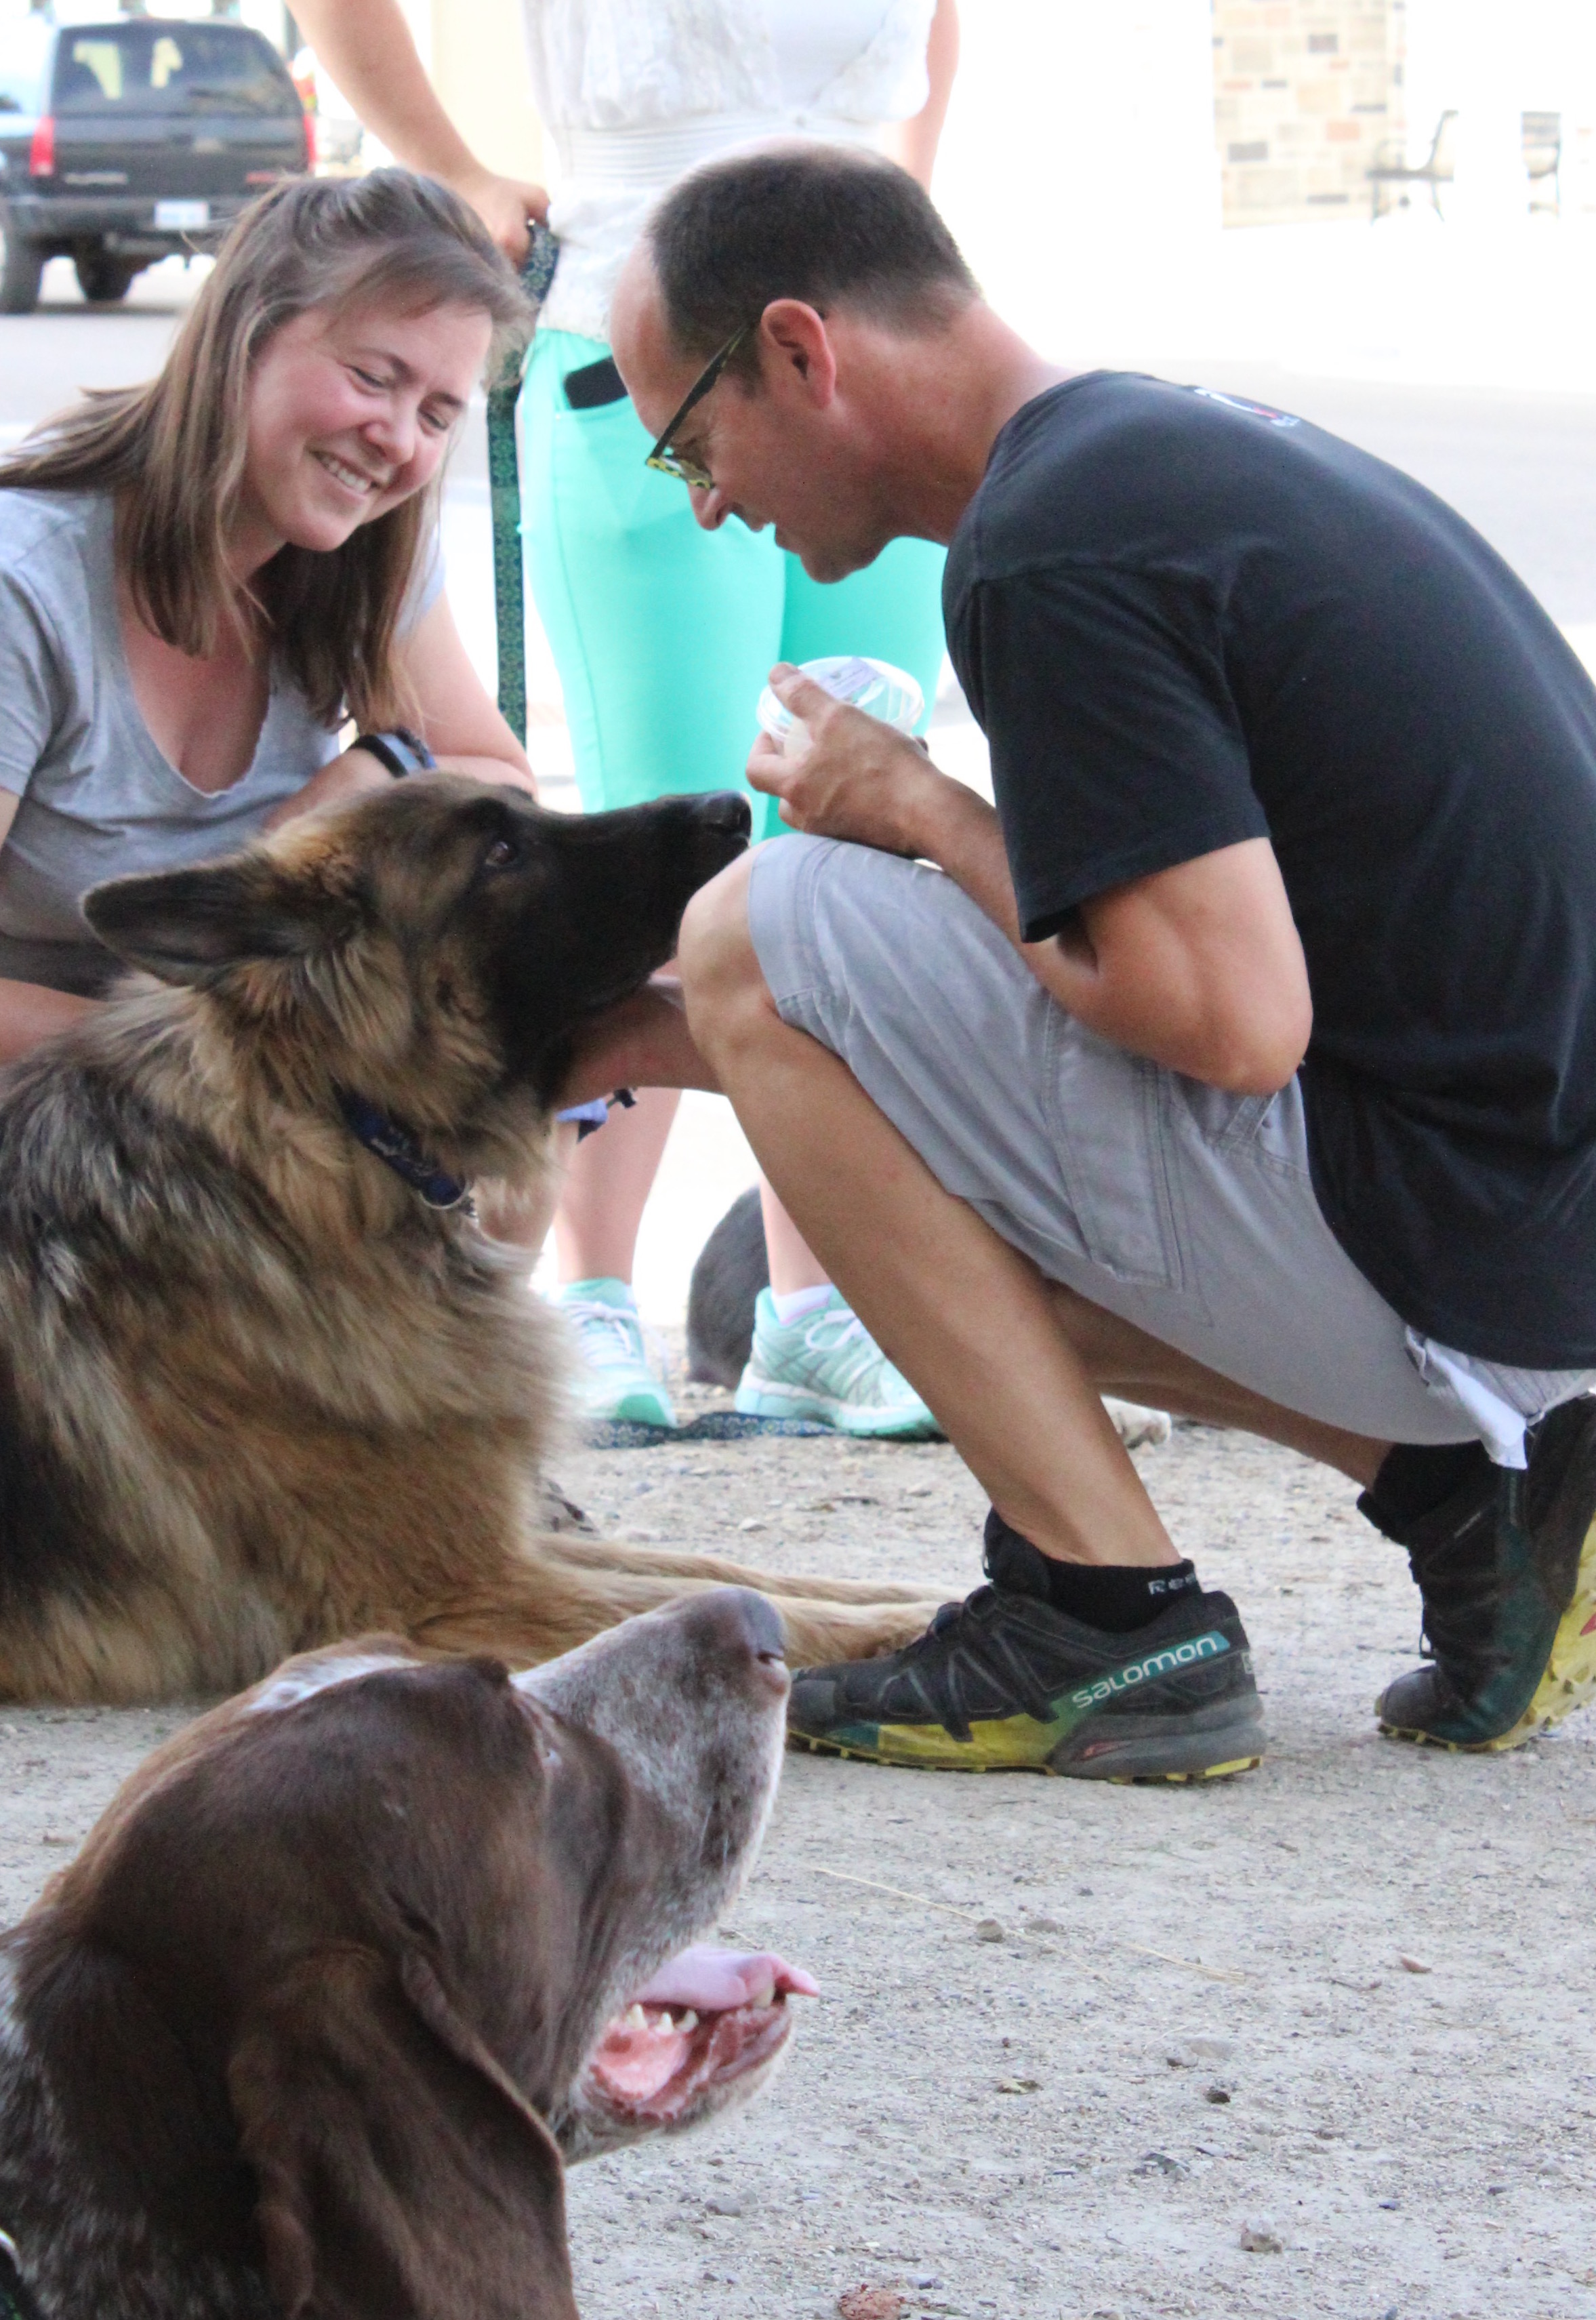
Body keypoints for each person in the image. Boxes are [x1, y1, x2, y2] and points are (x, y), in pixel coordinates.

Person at [577, 143, 1596, 1778]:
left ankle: (1108, 1619)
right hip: (1551, 1224)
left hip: (1462, 1237)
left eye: (693, 438)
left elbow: (1227, 1022)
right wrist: (637, 1034)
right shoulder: (1148, 452)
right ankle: (1472, 1502)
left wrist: (918, 809)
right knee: (895, 1169)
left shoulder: (1052, 543)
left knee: (761, 932)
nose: (704, 501)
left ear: (801, 351)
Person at [285, 0, 960, 1440]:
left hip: (878, 354)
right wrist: (451, 165)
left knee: (858, 833)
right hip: (639, 351)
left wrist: (909, 200)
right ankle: (591, 1287)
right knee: (657, 843)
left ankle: (818, 1302)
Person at [0, 172, 535, 1187]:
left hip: (181, 1048)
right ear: (245, 334)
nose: (399, 440)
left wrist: (374, 773)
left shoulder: (368, 545)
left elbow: (498, 783)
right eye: (375, 378)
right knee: (320, 1189)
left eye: (439, 413)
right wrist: (275, 1076)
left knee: (530, 1067)